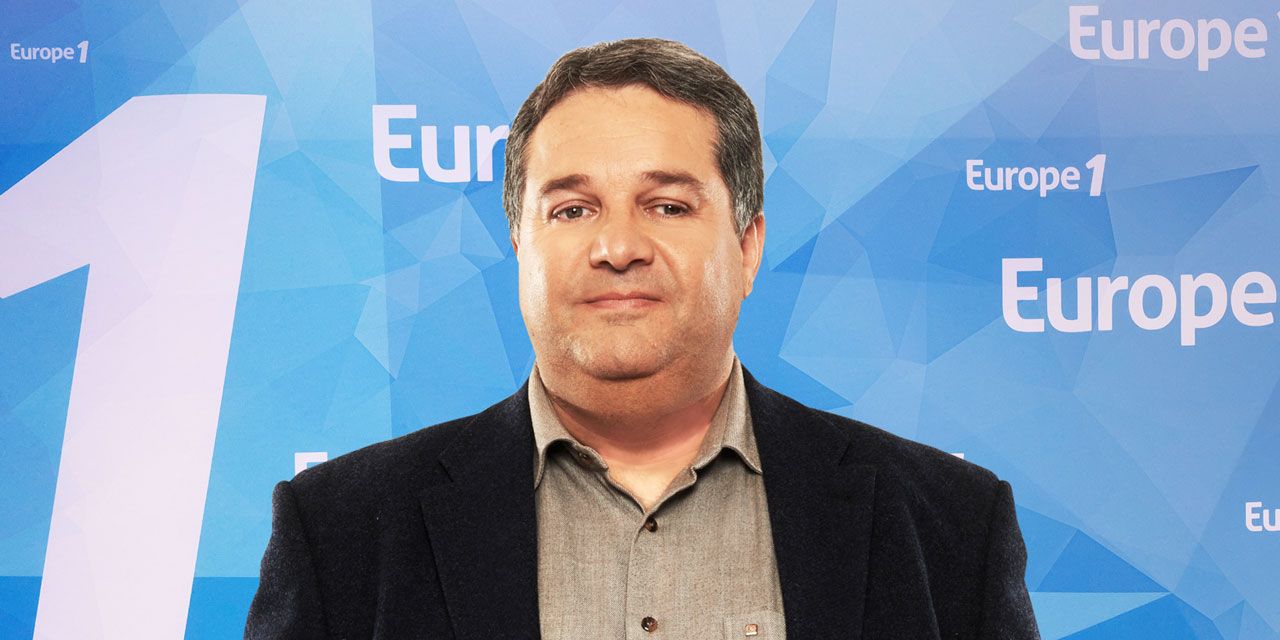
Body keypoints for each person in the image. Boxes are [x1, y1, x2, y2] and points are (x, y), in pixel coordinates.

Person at [245, 38, 1040, 639]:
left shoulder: (952, 527)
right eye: (572, 209)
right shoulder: (341, 532)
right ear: (519, 246)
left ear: (748, 245)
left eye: (667, 206)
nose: (618, 246)